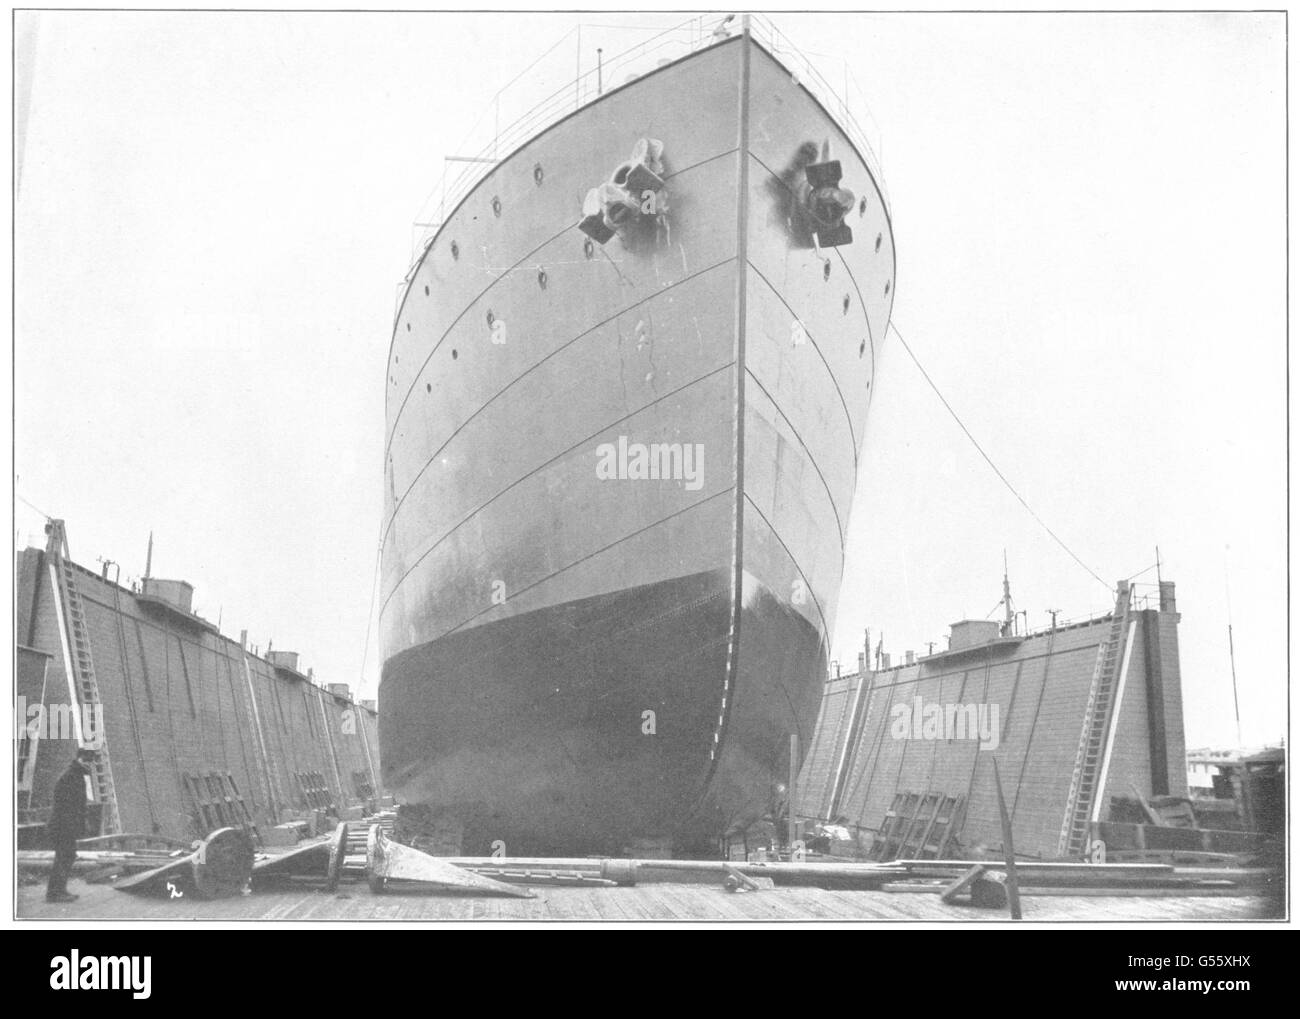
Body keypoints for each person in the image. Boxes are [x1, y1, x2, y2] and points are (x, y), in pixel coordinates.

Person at [46, 747, 95, 903]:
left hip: (65, 825)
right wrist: (74, 826)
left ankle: (58, 890)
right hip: (63, 825)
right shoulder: (71, 776)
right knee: (65, 856)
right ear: (79, 759)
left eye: (91, 762)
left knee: (66, 855)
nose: (89, 764)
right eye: (86, 760)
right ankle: (55, 893)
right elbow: (66, 805)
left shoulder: (74, 774)